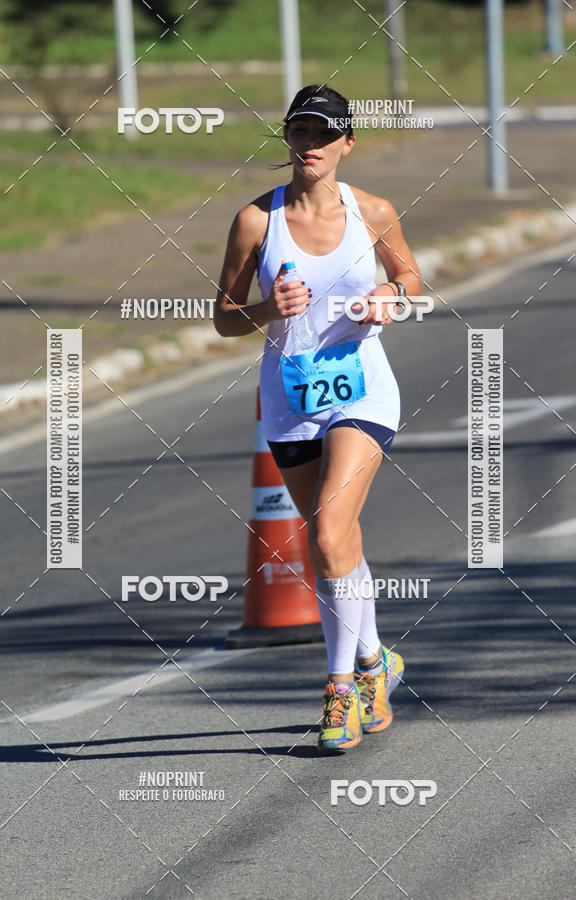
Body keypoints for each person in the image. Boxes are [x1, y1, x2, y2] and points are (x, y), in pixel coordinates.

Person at [214, 84, 421, 753]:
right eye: (301, 133)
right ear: (288, 139)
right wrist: (267, 311)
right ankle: (373, 662)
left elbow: (411, 276)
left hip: (364, 391)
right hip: (290, 398)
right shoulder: (255, 221)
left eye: (325, 135)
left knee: (331, 532)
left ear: (347, 144)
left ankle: (338, 692)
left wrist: (390, 294)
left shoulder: (374, 211)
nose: (311, 146)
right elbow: (222, 318)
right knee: (329, 543)